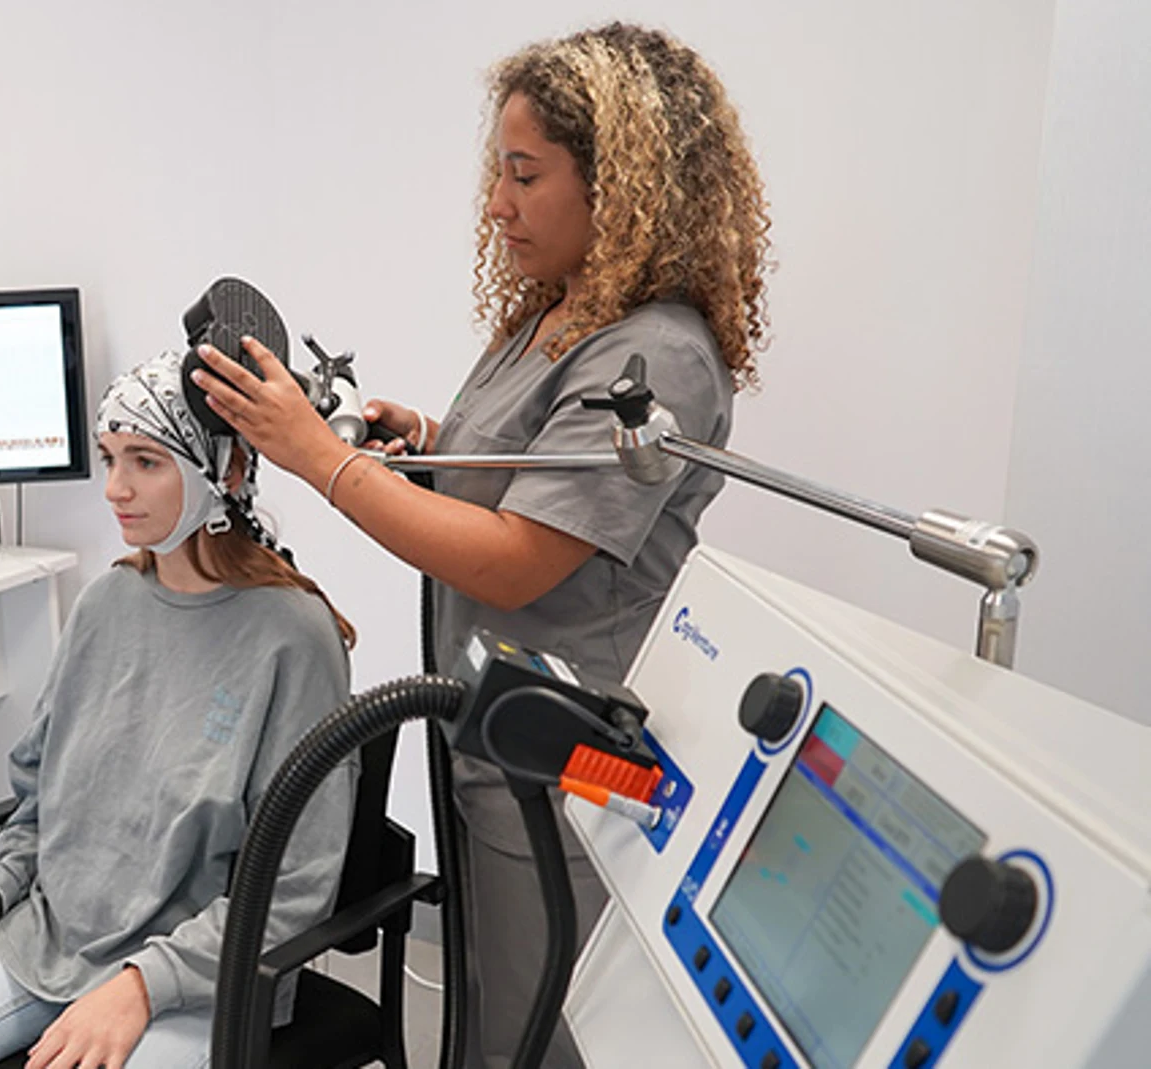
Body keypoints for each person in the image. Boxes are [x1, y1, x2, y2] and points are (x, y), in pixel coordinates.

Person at [191, 22, 770, 1068]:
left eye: (522, 175)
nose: (495, 205)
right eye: (495, 173)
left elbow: (516, 557)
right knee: (489, 1008)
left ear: (623, 188)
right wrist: (431, 453)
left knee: (539, 1025)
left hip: (564, 765)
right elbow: (520, 479)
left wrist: (318, 457)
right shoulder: (553, 316)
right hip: (489, 736)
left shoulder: (656, 351)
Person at [0, 350, 358, 1069]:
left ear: (229, 471)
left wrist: (140, 985)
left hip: (202, 979)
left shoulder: (294, 636)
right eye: (109, 458)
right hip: (48, 938)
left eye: (147, 461)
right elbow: (36, 810)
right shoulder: (106, 604)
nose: (116, 488)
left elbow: (294, 886)